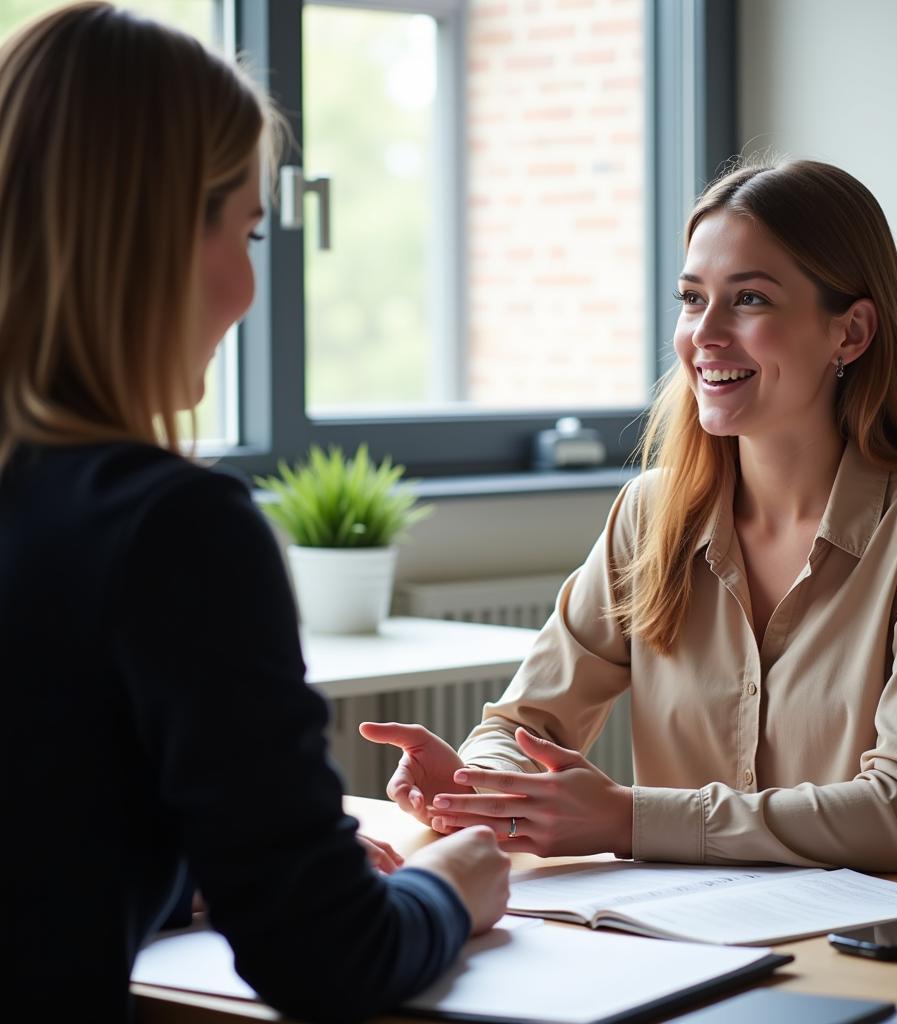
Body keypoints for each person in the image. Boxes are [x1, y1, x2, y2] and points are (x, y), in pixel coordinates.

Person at [1, 5, 508, 1022]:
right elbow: (329, 960)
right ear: (151, 238)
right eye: (247, 228)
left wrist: (198, 866)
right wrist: (449, 884)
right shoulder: (173, 528)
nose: (245, 288)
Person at [362, 157, 897, 877]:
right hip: (689, 939)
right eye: (691, 298)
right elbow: (520, 726)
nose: (704, 334)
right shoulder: (652, 513)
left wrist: (627, 817)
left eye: (751, 300)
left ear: (851, 332)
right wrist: (476, 788)